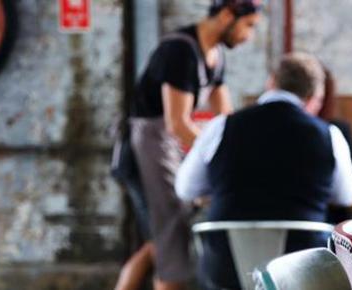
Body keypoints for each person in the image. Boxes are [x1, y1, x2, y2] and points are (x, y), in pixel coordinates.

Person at [175, 52, 352, 289]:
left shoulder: (222, 126)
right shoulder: (329, 135)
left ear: (271, 82)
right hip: (302, 271)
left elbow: (185, 188)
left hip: (227, 266)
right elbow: (344, 196)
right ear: (314, 97)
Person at [113, 1, 263, 290]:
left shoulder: (216, 55)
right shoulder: (180, 50)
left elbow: (226, 121)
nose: (249, 36)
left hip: (169, 148)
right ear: (227, 15)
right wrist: (223, 161)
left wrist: (243, 150)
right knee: (171, 237)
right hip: (149, 146)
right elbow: (177, 123)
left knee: (160, 240)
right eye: (249, 26)